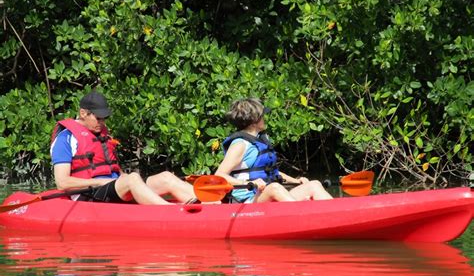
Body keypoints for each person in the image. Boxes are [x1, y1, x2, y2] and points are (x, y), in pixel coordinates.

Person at [50, 90, 196, 205]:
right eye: (98, 118)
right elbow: (62, 183)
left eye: (104, 118)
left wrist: (121, 177)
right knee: (132, 179)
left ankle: (211, 204)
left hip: (115, 188)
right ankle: (171, 213)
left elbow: (112, 167)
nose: (102, 122)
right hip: (88, 194)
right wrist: (100, 182)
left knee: (166, 177)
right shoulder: (65, 139)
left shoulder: (101, 134)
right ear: (83, 113)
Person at [215, 98, 333, 203]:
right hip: (247, 202)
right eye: (262, 116)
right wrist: (247, 183)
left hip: (267, 195)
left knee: (314, 185)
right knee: (274, 188)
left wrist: (297, 181)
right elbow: (219, 175)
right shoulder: (240, 144)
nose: (264, 119)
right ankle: (302, 214)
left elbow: (273, 173)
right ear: (254, 120)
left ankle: (336, 215)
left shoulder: (259, 141)